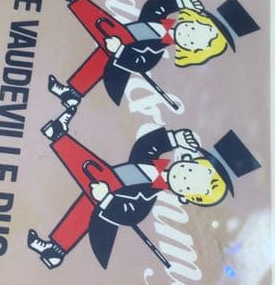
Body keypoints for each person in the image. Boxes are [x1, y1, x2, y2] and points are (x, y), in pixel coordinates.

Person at [27, 109, 261, 269]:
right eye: (190, 171)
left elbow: (131, 214)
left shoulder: (146, 197)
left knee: (93, 189)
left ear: (185, 197)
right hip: (103, 188)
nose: (184, 178)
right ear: (188, 159)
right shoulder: (152, 165)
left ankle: (58, 136)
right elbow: (144, 146)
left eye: (189, 186)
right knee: (91, 192)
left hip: (106, 199)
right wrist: (174, 138)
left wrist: (107, 199)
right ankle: (55, 251)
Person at [47, 0, 260, 109]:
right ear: (193, 18)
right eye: (195, 28)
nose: (189, 34)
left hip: (117, 62)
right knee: (111, 38)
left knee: (113, 40)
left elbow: (141, 63)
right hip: (114, 49)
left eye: (194, 42)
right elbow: (152, 7)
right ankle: (72, 93)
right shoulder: (161, 23)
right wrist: (179, 1)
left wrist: (120, 50)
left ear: (193, 52)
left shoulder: (155, 52)